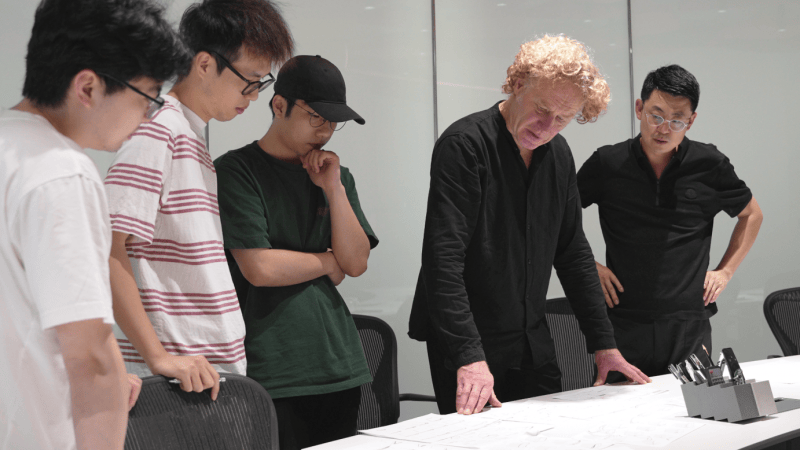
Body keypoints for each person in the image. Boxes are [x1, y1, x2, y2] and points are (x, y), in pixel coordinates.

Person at [408, 35, 650, 416]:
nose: (546, 127)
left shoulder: (558, 156)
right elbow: (443, 260)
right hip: (468, 338)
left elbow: (572, 252)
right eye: (542, 109)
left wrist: (604, 344)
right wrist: (469, 357)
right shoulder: (465, 146)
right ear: (518, 84)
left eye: (562, 119)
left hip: (529, 335)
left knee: (552, 430)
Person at [0, 0, 186, 448]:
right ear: (88, 86)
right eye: (148, 98)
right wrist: (106, 380)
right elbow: (90, 357)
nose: (148, 117)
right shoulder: (63, 173)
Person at [104, 0, 293, 398]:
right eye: (250, 81)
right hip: (174, 383)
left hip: (202, 374)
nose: (253, 96)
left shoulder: (188, 136)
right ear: (205, 63)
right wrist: (158, 358)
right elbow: (107, 248)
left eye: (261, 83)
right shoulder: (158, 131)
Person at [214, 55, 376, 449]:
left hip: (340, 363)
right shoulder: (236, 171)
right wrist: (328, 261)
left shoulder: (336, 177)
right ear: (279, 105)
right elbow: (260, 268)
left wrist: (333, 189)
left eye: (333, 123)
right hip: (273, 368)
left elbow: (355, 263)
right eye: (315, 117)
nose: (325, 132)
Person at [577, 65, 763, 379]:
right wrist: (588, 265)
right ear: (639, 108)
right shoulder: (607, 163)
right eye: (656, 115)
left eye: (677, 120)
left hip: (689, 323)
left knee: (694, 407)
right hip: (624, 322)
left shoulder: (709, 164)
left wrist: (725, 271)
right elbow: (557, 217)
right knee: (621, 407)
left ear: (691, 121)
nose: (664, 129)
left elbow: (752, 214)